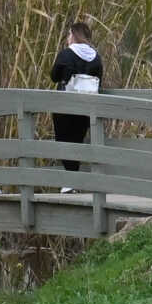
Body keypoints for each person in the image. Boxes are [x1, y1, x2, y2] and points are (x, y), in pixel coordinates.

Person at [49, 22, 103, 189]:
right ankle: (73, 181)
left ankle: (70, 182)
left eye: (69, 35)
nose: (67, 38)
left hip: (65, 106)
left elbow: (54, 76)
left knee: (64, 141)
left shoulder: (66, 54)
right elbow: (99, 79)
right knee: (77, 141)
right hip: (87, 107)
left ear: (73, 35)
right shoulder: (96, 57)